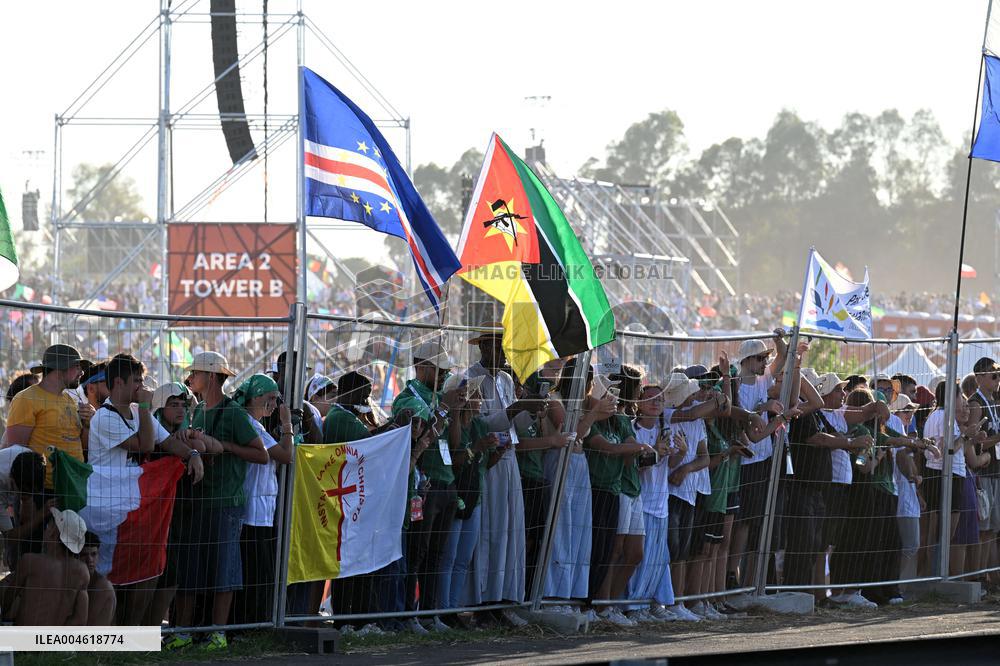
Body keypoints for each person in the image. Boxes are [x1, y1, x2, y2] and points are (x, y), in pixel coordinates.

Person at [87, 353, 206, 625]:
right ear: (119, 382)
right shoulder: (104, 418)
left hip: (133, 508)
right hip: (108, 511)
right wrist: (144, 406)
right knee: (110, 578)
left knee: (148, 570)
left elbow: (167, 442)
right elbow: (146, 445)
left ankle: (134, 635)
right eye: (137, 381)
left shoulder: (136, 412)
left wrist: (192, 455)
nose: (142, 386)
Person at [168, 351, 267, 651]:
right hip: (200, 501)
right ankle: (186, 632)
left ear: (211, 376)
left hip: (225, 502)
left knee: (224, 570)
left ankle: (218, 633)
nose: (190, 378)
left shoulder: (233, 413)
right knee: (192, 570)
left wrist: (223, 446)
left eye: (195, 373)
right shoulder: (198, 410)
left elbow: (261, 454)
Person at [467, 323, 542, 627]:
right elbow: (481, 424)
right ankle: (482, 603)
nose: (504, 354)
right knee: (490, 530)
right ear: (485, 347)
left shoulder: (506, 379)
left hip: (509, 461)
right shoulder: (472, 378)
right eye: (498, 347)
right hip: (488, 462)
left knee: (509, 531)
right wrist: (516, 408)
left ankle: (501, 600)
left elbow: (515, 426)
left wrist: (531, 410)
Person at [391, 341, 464, 631]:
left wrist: (455, 410)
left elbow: (454, 444)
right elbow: (425, 436)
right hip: (421, 486)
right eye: (439, 369)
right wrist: (445, 408)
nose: (445, 375)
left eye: (446, 370)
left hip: (445, 482)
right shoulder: (408, 398)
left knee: (436, 555)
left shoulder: (441, 396)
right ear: (421, 367)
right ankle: (409, 615)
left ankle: (430, 614)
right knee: (417, 554)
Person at [231, 374, 293, 626]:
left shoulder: (257, 425)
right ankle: (250, 624)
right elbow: (285, 455)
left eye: (276, 399)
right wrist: (287, 425)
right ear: (255, 397)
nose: (274, 405)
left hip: (261, 508)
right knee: (255, 571)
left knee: (259, 571)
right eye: (270, 398)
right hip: (253, 510)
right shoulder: (251, 426)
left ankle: (254, 623)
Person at [5, 344, 87, 489]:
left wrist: (87, 424)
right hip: (44, 490)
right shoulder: (26, 398)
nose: (82, 372)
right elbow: (16, 452)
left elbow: (78, 442)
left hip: (74, 486)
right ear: (60, 369)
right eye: (77, 366)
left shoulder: (68, 399)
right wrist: (31, 494)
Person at [2, 508, 89, 625]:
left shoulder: (31, 561)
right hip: (53, 635)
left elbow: (6, 601)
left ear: (54, 533)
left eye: (49, 525)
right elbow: (80, 620)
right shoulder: (82, 572)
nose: (46, 529)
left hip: (25, 634)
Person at [80, 531, 116, 625]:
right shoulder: (73, 580)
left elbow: (88, 624)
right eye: (84, 555)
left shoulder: (102, 586)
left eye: (94, 554)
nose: (90, 560)